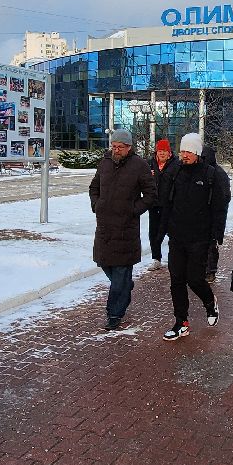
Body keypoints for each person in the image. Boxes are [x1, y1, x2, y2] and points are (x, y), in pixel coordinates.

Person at [156, 133, 223, 340]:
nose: (184, 155)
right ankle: (181, 322)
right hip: (177, 236)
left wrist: (216, 234)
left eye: (188, 151)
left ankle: (210, 302)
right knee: (176, 279)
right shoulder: (173, 172)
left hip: (200, 237)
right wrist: (160, 232)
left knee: (194, 279)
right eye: (182, 151)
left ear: (197, 153)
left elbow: (219, 208)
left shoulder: (210, 175)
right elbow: (165, 203)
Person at [89, 129, 155, 330]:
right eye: (114, 146)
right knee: (104, 263)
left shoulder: (140, 166)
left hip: (126, 228)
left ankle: (114, 314)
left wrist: (133, 210)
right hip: (105, 228)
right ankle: (125, 286)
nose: (116, 150)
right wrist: (96, 205)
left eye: (120, 147)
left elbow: (151, 194)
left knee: (119, 273)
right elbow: (94, 187)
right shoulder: (105, 163)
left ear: (129, 147)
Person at [200, 144, 232, 286]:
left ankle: (210, 271)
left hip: (214, 216)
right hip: (205, 215)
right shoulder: (206, 171)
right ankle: (205, 270)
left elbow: (224, 197)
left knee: (211, 244)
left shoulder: (217, 173)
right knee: (204, 244)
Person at [148, 138, 173, 264]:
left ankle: (175, 257)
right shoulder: (150, 164)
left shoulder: (175, 164)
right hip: (153, 204)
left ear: (169, 153)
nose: (162, 153)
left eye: (164, 151)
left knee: (170, 231)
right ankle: (156, 258)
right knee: (153, 233)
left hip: (169, 204)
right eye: (159, 151)